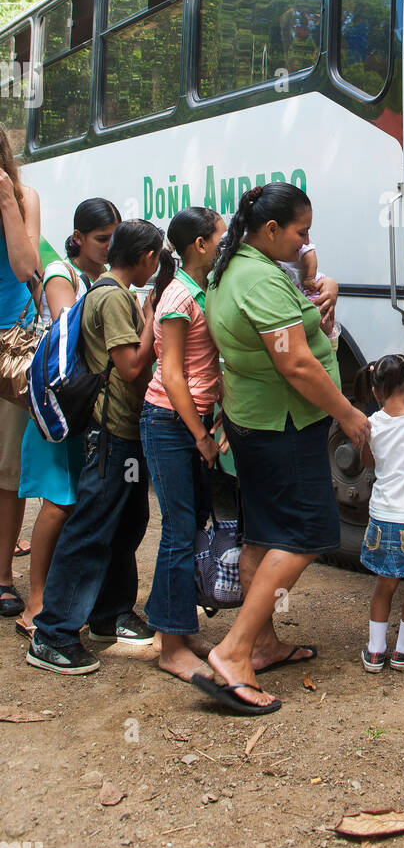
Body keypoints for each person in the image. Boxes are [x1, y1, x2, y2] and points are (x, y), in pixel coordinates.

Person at [198, 183, 369, 715]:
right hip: (285, 427)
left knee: (263, 535)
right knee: (304, 535)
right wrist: (348, 414)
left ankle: (264, 643)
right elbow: (295, 364)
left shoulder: (237, 266)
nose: (305, 241)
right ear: (271, 230)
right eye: (301, 231)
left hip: (255, 423)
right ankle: (233, 651)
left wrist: (328, 287)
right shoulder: (258, 278)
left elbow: (303, 302)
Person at [27, 220, 166, 675]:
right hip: (111, 434)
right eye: (157, 258)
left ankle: (110, 613)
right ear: (145, 258)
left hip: (125, 433)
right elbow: (129, 368)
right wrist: (151, 320)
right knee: (92, 528)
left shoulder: (114, 292)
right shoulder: (110, 296)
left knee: (126, 523)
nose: (158, 266)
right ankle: (52, 634)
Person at [17, 198, 121, 637]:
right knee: (58, 503)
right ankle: (36, 599)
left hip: (83, 409)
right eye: (101, 240)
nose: (108, 248)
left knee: (74, 502)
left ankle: (60, 593)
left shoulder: (103, 279)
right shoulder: (64, 274)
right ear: (78, 238)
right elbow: (67, 330)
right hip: (60, 408)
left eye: (115, 240)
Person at [140, 207, 228, 682]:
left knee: (189, 523)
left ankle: (172, 627)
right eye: (219, 236)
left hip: (188, 421)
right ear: (199, 245)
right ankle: (172, 648)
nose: (224, 242)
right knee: (177, 529)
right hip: (170, 423)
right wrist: (200, 435)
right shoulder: (178, 296)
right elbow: (171, 373)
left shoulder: (198, 289)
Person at [353, 351, 404, 673]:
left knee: (383, 586)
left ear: (375, 391)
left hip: (381, 520)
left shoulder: (371, 424)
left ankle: (375, 652)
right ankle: (403, 651)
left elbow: (368, 462)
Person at [0, 123, 41, 619]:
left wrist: (8, 203)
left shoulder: (25, 196)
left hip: (9, 347)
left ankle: (4, 577)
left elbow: (26, 268)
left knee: (7, 472)